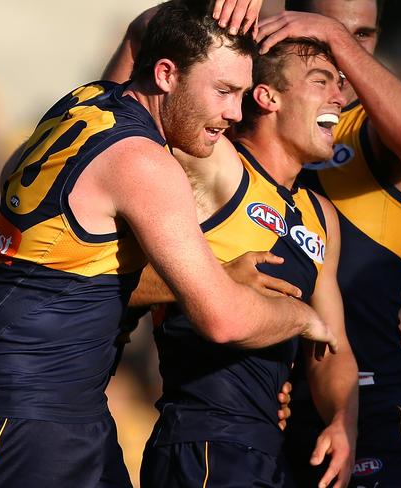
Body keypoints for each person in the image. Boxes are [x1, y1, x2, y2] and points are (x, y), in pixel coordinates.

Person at [0, 2, 338, 487]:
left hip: (56, 409)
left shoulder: (84, 102)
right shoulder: (142, 161)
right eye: (224, 91)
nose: (234, 113)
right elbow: (223, 318)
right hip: (26, 413)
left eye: (243, 94)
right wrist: (309, 320)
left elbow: (142, 32)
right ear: (165, 73)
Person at [105, 24, 359, 488]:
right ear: (267, 97)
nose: (340, 96)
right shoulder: (217, 160)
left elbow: (332, 345)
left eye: (340, 83)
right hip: (202, 443)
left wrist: (344, 420)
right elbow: (122, 119)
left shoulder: (321, 216)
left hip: (266, 450)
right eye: (322, 81)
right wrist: (146, 30)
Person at [256, 1, 401, 487]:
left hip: (365, 400)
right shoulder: (251, 119)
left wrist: (331, 37)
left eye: (362, 37)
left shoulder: (374, 132)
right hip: (260, 402)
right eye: (328, 34)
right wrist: (139, 34)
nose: (343, 54)